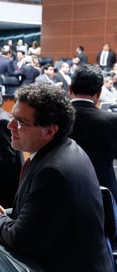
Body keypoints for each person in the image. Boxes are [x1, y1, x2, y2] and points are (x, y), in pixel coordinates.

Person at [0, 83, 113, 272]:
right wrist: (7, 215)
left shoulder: (53, 171)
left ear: (49, 131)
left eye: (21, 122)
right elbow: (41, 218)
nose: (10, 125)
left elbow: (22, 240)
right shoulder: (61, 149)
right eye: (13, 117)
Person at [69, 64, 117, 201]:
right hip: (103, 192)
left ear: (70, 88)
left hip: (63, 191)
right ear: (99, 92)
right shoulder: (113, 120)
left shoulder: (55, 118)